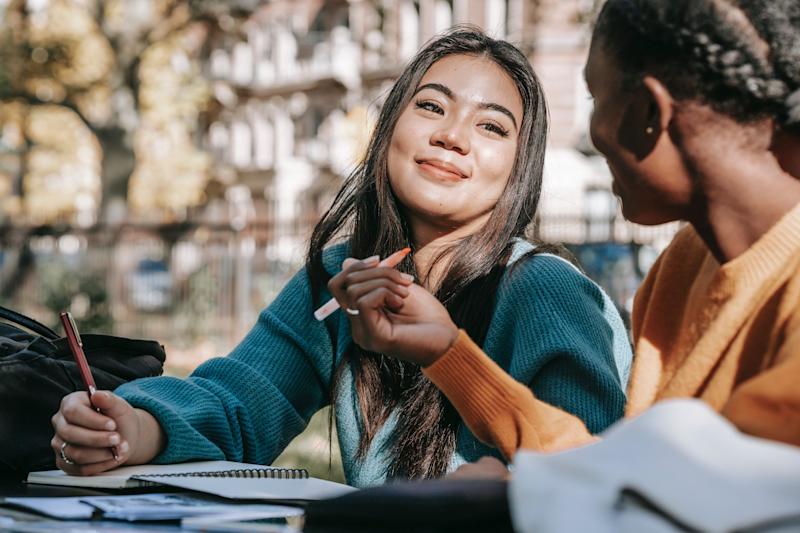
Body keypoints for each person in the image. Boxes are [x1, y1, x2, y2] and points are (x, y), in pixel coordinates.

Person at [49, 27, 632, 486]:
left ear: (519, 171)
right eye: (431, 107)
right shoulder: (340, 276)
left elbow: (591, 471)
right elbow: (241, 402)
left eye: (491, 126)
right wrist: (136, 428)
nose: (452, 135)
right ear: (389, 130)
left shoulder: (544, 290)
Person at [334, 0, 800, 476]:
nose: (590, 132)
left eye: (595, 101)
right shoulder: (683, 266)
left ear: (647, 113)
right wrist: (448, 353)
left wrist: (511, 501)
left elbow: (714, 502)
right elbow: (625, 472)